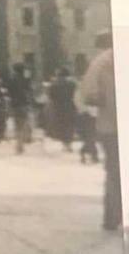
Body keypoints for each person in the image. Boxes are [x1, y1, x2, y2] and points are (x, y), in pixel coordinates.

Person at [79, 32, 122, 231]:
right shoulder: (103, 62)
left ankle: (112, 218)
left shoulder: (99, 62)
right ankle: (113, 216)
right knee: (115, 171)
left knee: (114, 171)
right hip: (112, 126)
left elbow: (88, 95)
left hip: (110, 126)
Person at [5, 62, 34, 154]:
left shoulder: (11, 79)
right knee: (24, 123)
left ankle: (19, 144)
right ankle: (21, 144)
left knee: (18, 124)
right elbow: (30, 90)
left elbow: (8, 91)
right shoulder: (25, 79)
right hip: (24, 103)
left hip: (15, 104)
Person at [48, 66, 78, 151]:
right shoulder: (72, 84)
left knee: (61, 124)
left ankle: (65, 143)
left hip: (58, 107)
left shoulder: (53, 84)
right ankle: (69, 143)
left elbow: (51, 96)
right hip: (69, 105)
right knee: (70, 124)